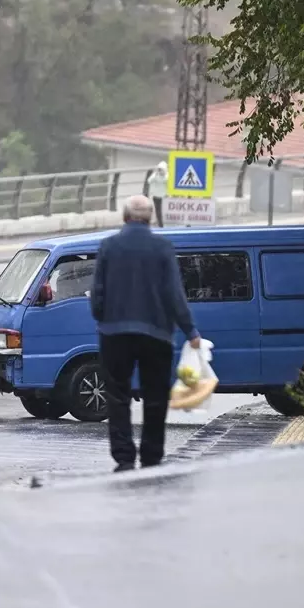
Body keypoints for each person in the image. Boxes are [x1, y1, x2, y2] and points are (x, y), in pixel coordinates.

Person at [90, 195, 199, 471]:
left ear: (125, 217)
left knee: (117, 396)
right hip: (156, 334)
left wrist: (103, 318)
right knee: (155, 396)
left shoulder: (108, 247)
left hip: (114, 334)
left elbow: (97, 294)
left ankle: (124, 457)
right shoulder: (162, 248)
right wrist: (190, 330)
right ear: (150, 218)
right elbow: (174, 294)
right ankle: (151, 456)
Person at [146, 161, 168, 226]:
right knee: (158, 210)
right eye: (159, 169)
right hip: (156, 196)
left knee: (163, 210)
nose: (160, 171)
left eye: (161, 169)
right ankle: (160, 223)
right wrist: (155, 175)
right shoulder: (155, 175)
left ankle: (163, 222)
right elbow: (149, 181)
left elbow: (167, 181)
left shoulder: (167, 176)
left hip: (164, 196)